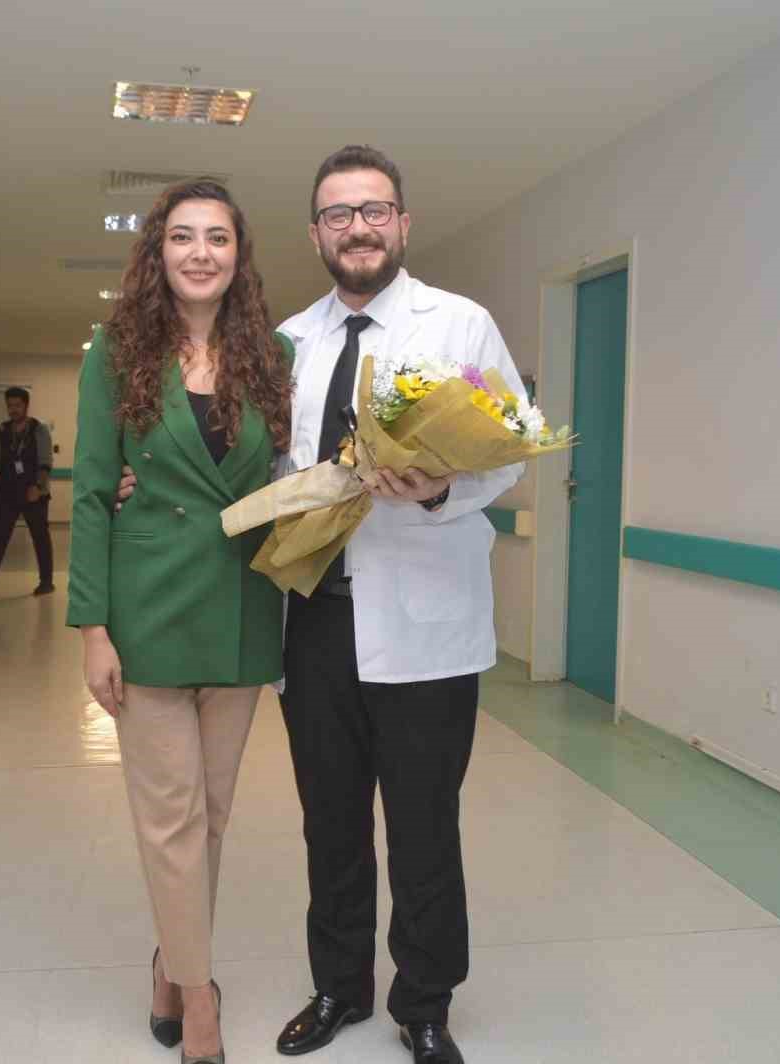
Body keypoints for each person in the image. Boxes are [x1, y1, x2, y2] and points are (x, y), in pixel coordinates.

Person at [273, 146, 522, 1064]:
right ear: (316, 233)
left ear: (404, 224)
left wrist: (438, 488)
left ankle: (424, 1002)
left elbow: (511, 448)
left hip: (427, 626)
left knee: (423, 825)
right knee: (330, 821)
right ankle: (339, 988)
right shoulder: (289, 342)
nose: (359, 228)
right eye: (339, 214)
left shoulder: (460, 325)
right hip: (316, 619)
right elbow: (267, 469)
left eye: (375, 210)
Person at [67, 179, 294, 1064]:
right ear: (157, 252)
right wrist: (94, 628)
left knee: (214, 815)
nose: (202, 252)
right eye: (183, 236)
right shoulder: (116, 350)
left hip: (241, 608)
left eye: (219, 237)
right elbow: (93, 492)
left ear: (240, 254)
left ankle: (171, 960)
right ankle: (200, 998)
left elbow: (287, 469)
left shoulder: (271, 353)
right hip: (149, 608)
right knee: (170, 817)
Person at [0, 387, 55, 597]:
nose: (13, 410)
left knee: (40, 537)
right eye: (10, 406)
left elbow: (45, 461)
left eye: (17, 405)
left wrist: (38, 487)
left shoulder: (38, 429)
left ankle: (46, 582)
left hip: (33, 491)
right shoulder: (3, 430)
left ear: (26, 405)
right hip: (7, 491)